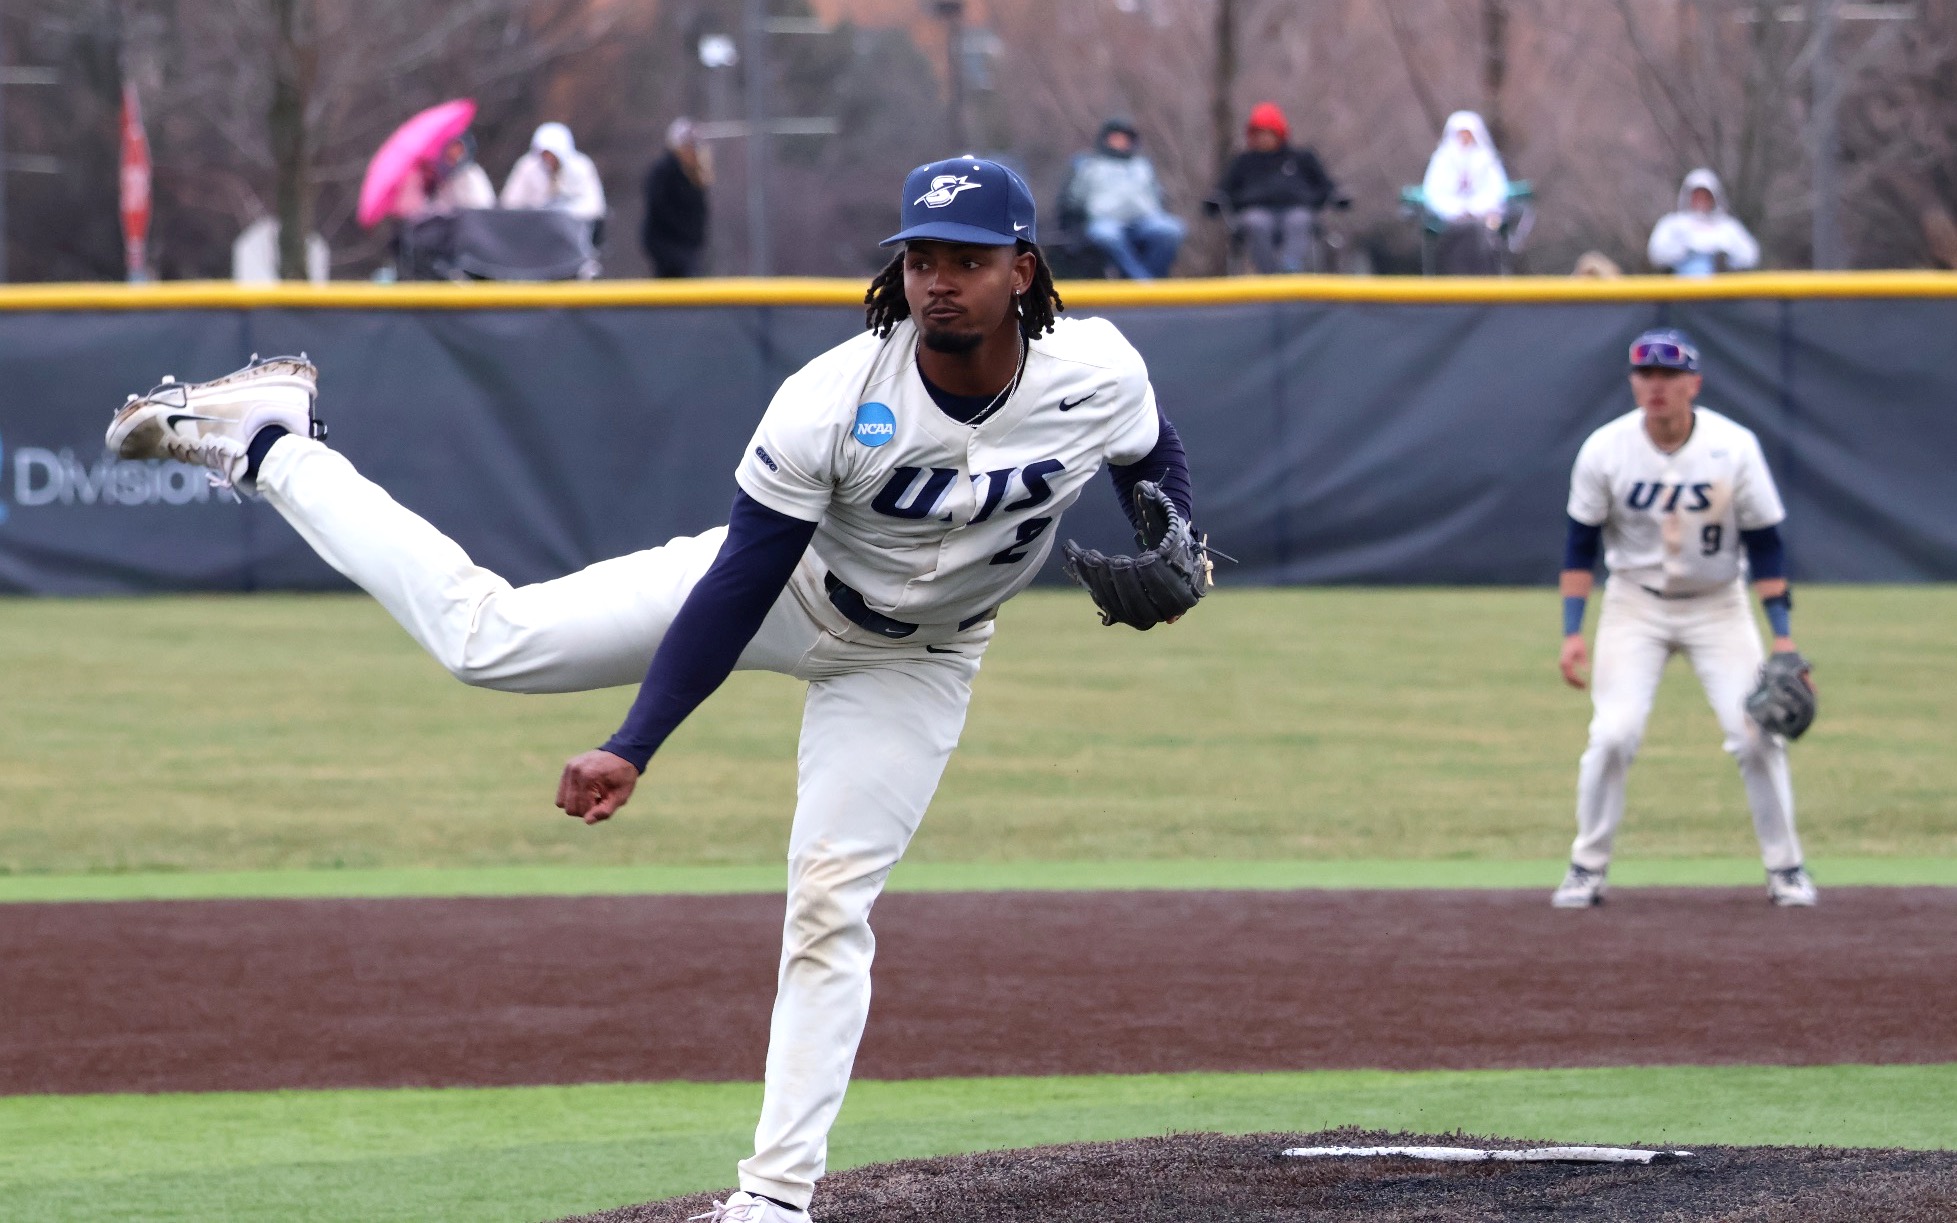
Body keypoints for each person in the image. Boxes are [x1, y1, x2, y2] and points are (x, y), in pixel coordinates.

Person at [104, 155, 1198, 1222]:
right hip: (784, 590)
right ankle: (274, 443)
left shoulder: (1095, 371)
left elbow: (1151, 461)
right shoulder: (831, 396)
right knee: (488, 640)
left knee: (829, 902)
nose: (936, 281)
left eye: (963, 258)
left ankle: (772, 1196)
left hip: (922, 659)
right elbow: (739, 580)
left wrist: (1174, 538)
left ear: (1022, 267)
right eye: (919, 258)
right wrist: (637, 739)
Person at [1553, 328, 1816, 911]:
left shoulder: (1734, 446)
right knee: (1612, 735)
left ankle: (1786, 867)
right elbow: (1580, 548)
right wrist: (1573, 631)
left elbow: (1767, 545)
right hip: (1634, 603)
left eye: (1670, 375)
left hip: (1719, 605)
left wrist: (1784, 638)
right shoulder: (1605, 449)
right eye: (1645, 374)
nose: (1657, 385)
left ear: (1693, 384)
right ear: (1632, 382)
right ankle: (1586, 867)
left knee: (1755, 735)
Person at [1214, 102, 1338, 274]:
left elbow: (1326, 185)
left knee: (1299, 220)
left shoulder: (1301, 158)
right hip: (1256, 211)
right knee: (1256, 223)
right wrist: (1215, 200)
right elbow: (1224, 189)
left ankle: (1290, 269)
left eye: (1268, 133)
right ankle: (1270, 276)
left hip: (1295, 209)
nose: (1263, 138)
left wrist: (1336, 196)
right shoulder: (1243, 162)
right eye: (1259, 134)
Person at [1066, 118, 1186, 280]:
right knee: (1105, 236)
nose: (1120, 142)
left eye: (1124, 138)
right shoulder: (1090, 165)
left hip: (1144, 221)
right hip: (1106, 222)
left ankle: (1154, 280)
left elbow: (1157, 196)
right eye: (1115, 138)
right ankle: (1140, 282)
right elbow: (1074, 200)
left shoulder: (1142, 166)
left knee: (1171, 230)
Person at [1420, 110, 1510, 273]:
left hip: (1482, 218)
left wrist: (1474, 209)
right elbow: (1433, 193)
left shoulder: (1486, 159)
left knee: (1478, 232)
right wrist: (1456, 210)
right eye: (1460, 134)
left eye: (1467, 134)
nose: (1464, 138)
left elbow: (1497, 191)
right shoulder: (1442, 160)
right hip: (1449, 221)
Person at [1648, 168, 1759, 277]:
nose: (1701, 200)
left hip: (1722, 290)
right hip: (1679, 290)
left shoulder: (1728, 227)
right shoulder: (1672, 224)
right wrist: (1685, 254)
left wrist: (1724, 259)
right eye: (1697, 195)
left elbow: (1750, 255)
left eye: (1705, 196)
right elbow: (1656, 253)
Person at [641, 118, 711, 278]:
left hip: (685, 244)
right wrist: (685, 231)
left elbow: (699, 212)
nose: (692, 150)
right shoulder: (664, 170)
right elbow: (659, 207)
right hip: (667, 242)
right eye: (688, 145)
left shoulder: (693, 173)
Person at [500, 121, 607, 226]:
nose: (548, 159)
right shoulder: (527, 167)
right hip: (534, 229)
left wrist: (562, 214)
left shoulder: (581, 167)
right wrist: (535, 213)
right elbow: (510, 203)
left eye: (552, 154)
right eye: (544, 154)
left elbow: (594, 206)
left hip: (571, 232)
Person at [393, 133, 496, 220]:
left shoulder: (467, 179)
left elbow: (477, 214)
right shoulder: (441, 179)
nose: (452, 157)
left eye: (458, 153)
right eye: (450, 152)